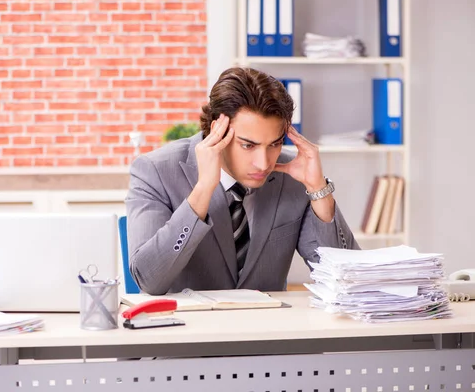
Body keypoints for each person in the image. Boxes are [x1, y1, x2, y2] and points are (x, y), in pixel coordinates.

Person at [125, 67, 359, 295]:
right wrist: (203, 189)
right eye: (248, 145)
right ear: (218, 129)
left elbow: (349, 281)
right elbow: (149, 281)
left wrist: (319, 190)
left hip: (269, 331)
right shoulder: (155, 171)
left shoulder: (293, 174)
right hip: (189, 330)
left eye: (275, 144)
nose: (263, 163)